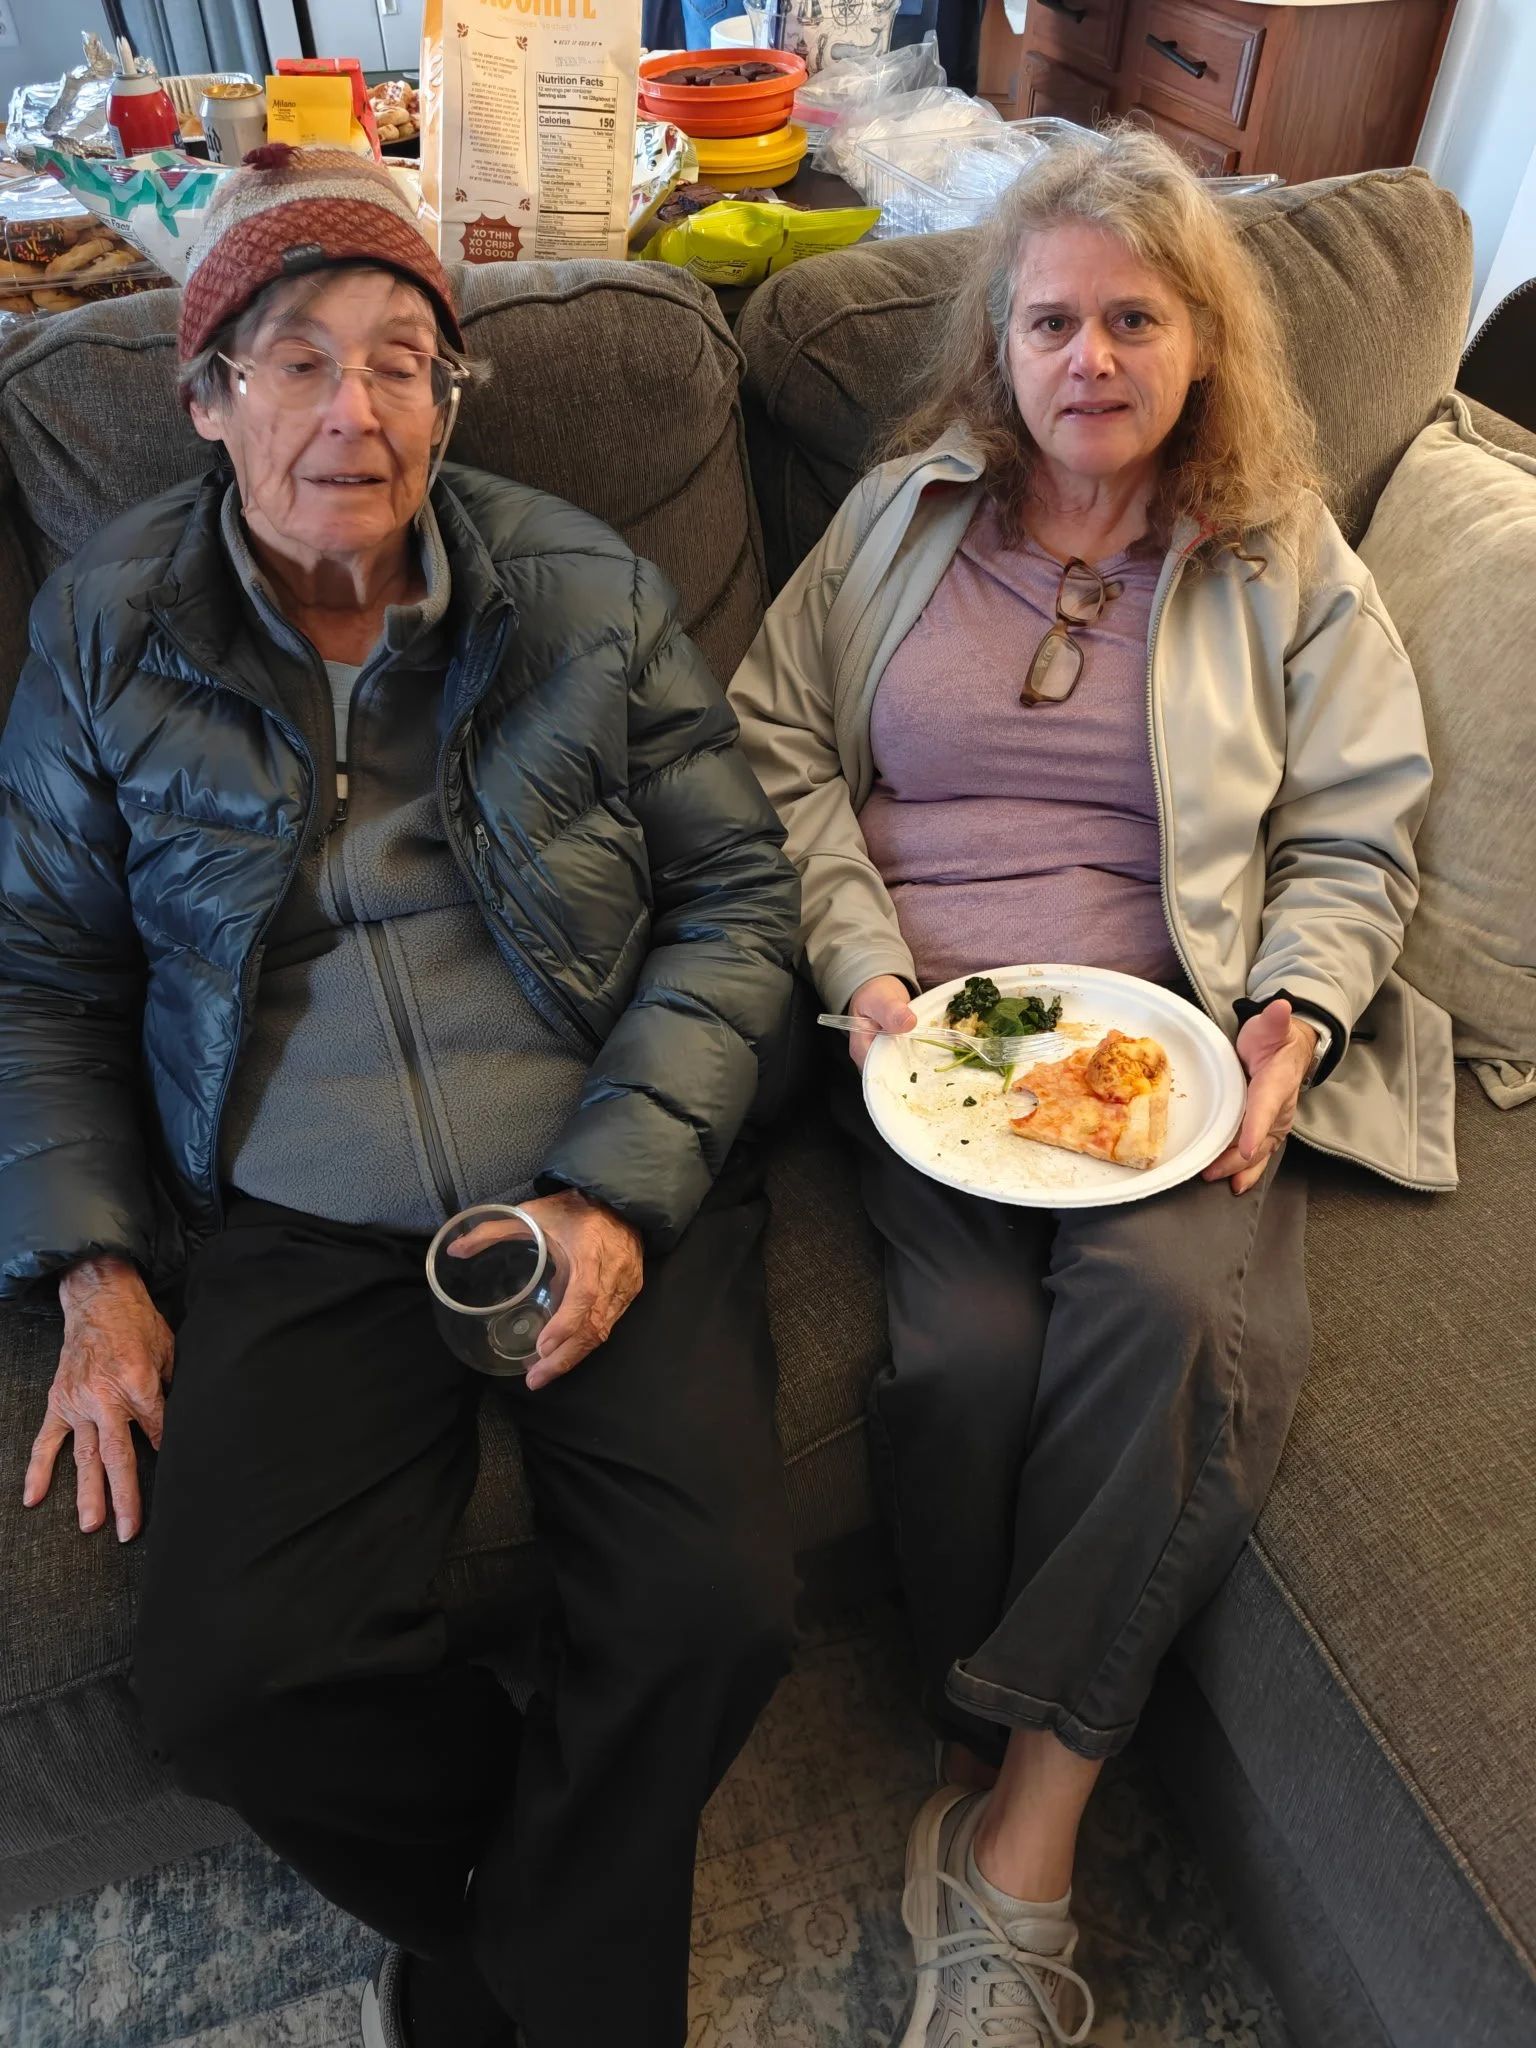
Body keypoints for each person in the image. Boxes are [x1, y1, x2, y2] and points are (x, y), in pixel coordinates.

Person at [1, 147, 802, 2048]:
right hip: (295, 1203)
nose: (352, 412)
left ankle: (490, 1979)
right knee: (233, 1684)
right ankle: (539, 1919)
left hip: (594, 1155)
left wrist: (614, 1193)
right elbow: (40, 970)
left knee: (714, 1616)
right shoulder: (111, 630)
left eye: (399, 361)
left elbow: (737, 895)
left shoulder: (579, 587)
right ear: (206, 401)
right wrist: (96, 1269)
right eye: (294, 361)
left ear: (451, 393)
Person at [729, 127, 1453, 2048]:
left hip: (1166, 1040)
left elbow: (1362, 832)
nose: (1092, 357)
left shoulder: (1282, 552)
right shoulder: (897, 521)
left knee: (1168, 1314)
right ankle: (983, 1717)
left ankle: (1020, 1834)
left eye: (1137, 317)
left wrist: (1296, 1013)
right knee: (961, 1350)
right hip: (937, 1053)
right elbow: (774, 743)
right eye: (1052, 319)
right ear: (1000, 341)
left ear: (1205, 340)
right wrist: (860, 965)